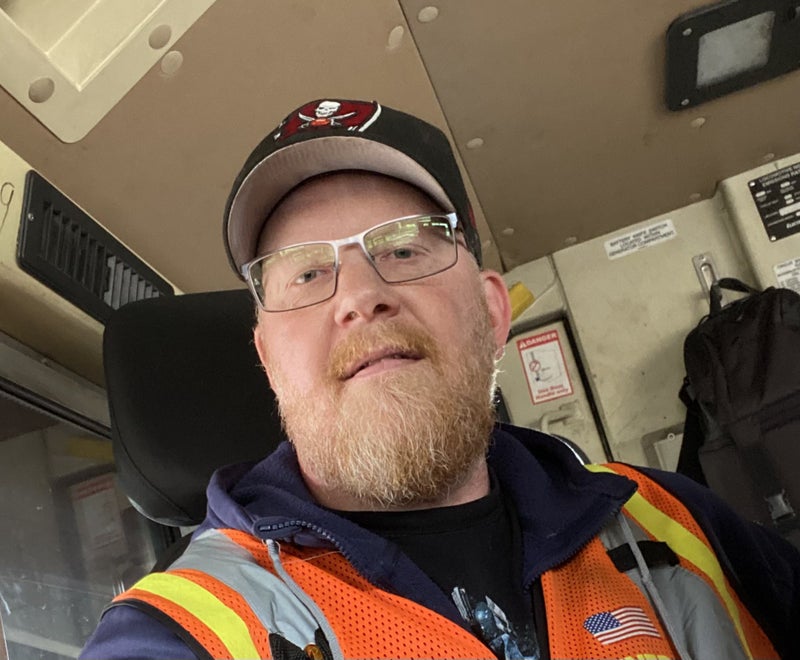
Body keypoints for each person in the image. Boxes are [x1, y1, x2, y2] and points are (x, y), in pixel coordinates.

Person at [81, 99, 800, 660]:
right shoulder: (188, 629)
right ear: (267, 357)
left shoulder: (666, 518)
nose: (359, 295)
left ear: (491, 312)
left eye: (402, 248)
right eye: (307, 273)